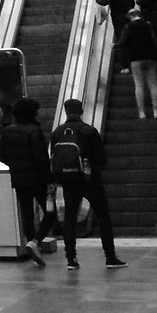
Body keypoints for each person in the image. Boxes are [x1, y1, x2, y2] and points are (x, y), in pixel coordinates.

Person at [49, 99, 125, 270]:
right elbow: (101, 158)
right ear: (81, 111)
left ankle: (71, 259)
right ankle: (110, 257)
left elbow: (54, 158)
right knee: (103, 217)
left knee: (69, 219)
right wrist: (92, 171)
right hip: (90, 181)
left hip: (68, 182)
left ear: (66, 111)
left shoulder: (57, 133)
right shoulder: (89, 131)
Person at [0, 96, 50, 267]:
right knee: (50, 210)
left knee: (26, 212)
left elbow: (2, 157)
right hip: (37, 179)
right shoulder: (34, 131)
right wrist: (50, 180)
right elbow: (41, 158)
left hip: (18, 179)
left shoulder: (7, 131)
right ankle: (36, 242)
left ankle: (31, 243)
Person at [122, 10, 157, 120]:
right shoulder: (148, 25)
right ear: (140, 15)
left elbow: (123, 41)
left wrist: (115, 45)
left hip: (135, 59)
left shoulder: (128, 26)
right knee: (153, 85)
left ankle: (142, 113)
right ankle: (156, 112)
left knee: (139, 85)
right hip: (151, 58)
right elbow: (155, 39)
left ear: (131, 16)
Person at [95, 0, 134, 78]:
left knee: (121, 41)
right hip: (129, 18)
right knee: (130, 39)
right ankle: (134, 61)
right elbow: (132, 5)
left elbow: (104, 2)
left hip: (118, 20)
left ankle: (125, 66)